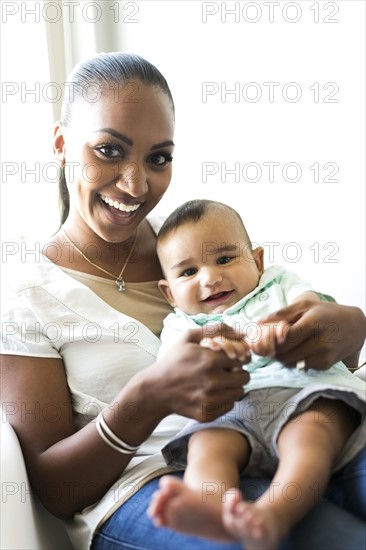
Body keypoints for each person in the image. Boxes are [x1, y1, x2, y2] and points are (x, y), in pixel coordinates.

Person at [1, 52, 365, 550]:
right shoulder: (25, 300)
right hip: (148, 488)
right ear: (62, 144)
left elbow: (310, 347)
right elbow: (54, 489)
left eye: (158, 158)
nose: (136, 184)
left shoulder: (197, 249)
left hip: (289, 437)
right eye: (109, 150)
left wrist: (349, 328)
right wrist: (146, 399)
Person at [147, 199, 366, 549]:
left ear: (258, 260)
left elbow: (314, 310)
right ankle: (211, 509)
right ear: (168, 292)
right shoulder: (178, 326)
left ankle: (275, 514)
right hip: (230, 410)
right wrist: (210, 355)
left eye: (224, 259)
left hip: (303, 391)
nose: (210, 277)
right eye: (188, 272)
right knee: (205, 446)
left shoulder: (278, 284)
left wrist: (285, 331)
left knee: (309, 440)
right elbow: (175, 373)